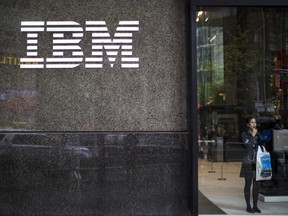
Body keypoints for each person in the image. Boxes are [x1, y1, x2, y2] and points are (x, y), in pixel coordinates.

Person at [240, 116, 263, 213]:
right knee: (248, 184)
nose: (254, 124)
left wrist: (258, 137)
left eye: (255, 122)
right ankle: (248, 206)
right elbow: (248, 146)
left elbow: (262, 146)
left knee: (256, 185)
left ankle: (255, 206)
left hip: (257, 162)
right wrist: (253, 136)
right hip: (248, 162)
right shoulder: (244, 134)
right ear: (247, 124)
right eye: (252, 122)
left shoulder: (258, 134)